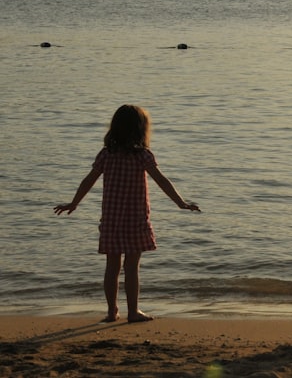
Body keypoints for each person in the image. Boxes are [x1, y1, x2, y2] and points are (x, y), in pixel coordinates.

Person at [54, 104, 200, 323]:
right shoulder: (142, 156)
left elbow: (88, 180)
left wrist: (74, 203)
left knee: (112, 267)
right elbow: (161, 180)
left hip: (112, 219)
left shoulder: (106, 154)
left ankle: (112, 311)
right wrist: (181, 202)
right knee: (132, 268)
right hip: (135, 218)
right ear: (141, 129)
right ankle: (133, 312)